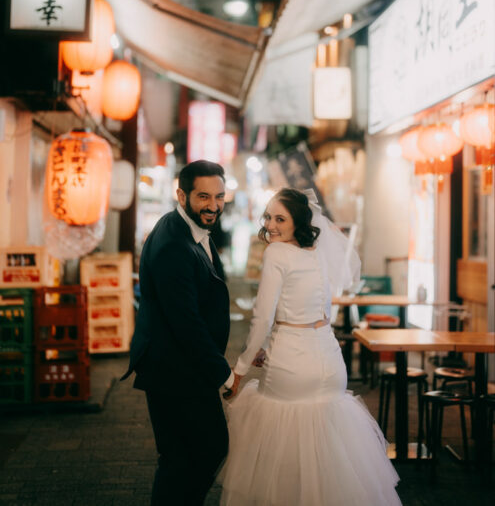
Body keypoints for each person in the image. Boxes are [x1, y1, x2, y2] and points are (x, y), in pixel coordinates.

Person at [218, 188, 402, 506]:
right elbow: (321, 311)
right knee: (329, 454)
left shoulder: (276, 253)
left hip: (290, 363)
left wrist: (240, 369)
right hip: (330, 361)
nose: (271, 225)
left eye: (280, 218)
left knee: (283, 453)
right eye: (268, 217)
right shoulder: (317, 251)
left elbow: (262, 319)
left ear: (297, 221)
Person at [122, 160, 234, 506]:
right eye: (203, 196)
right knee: (203, 449)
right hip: (175, 369)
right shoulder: (173, 243)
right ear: (181, 194)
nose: (213, 205)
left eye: (219, 196)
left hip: (182, 366)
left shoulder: (190, 230)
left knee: (183, 457)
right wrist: (224, 375)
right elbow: (185, 321)